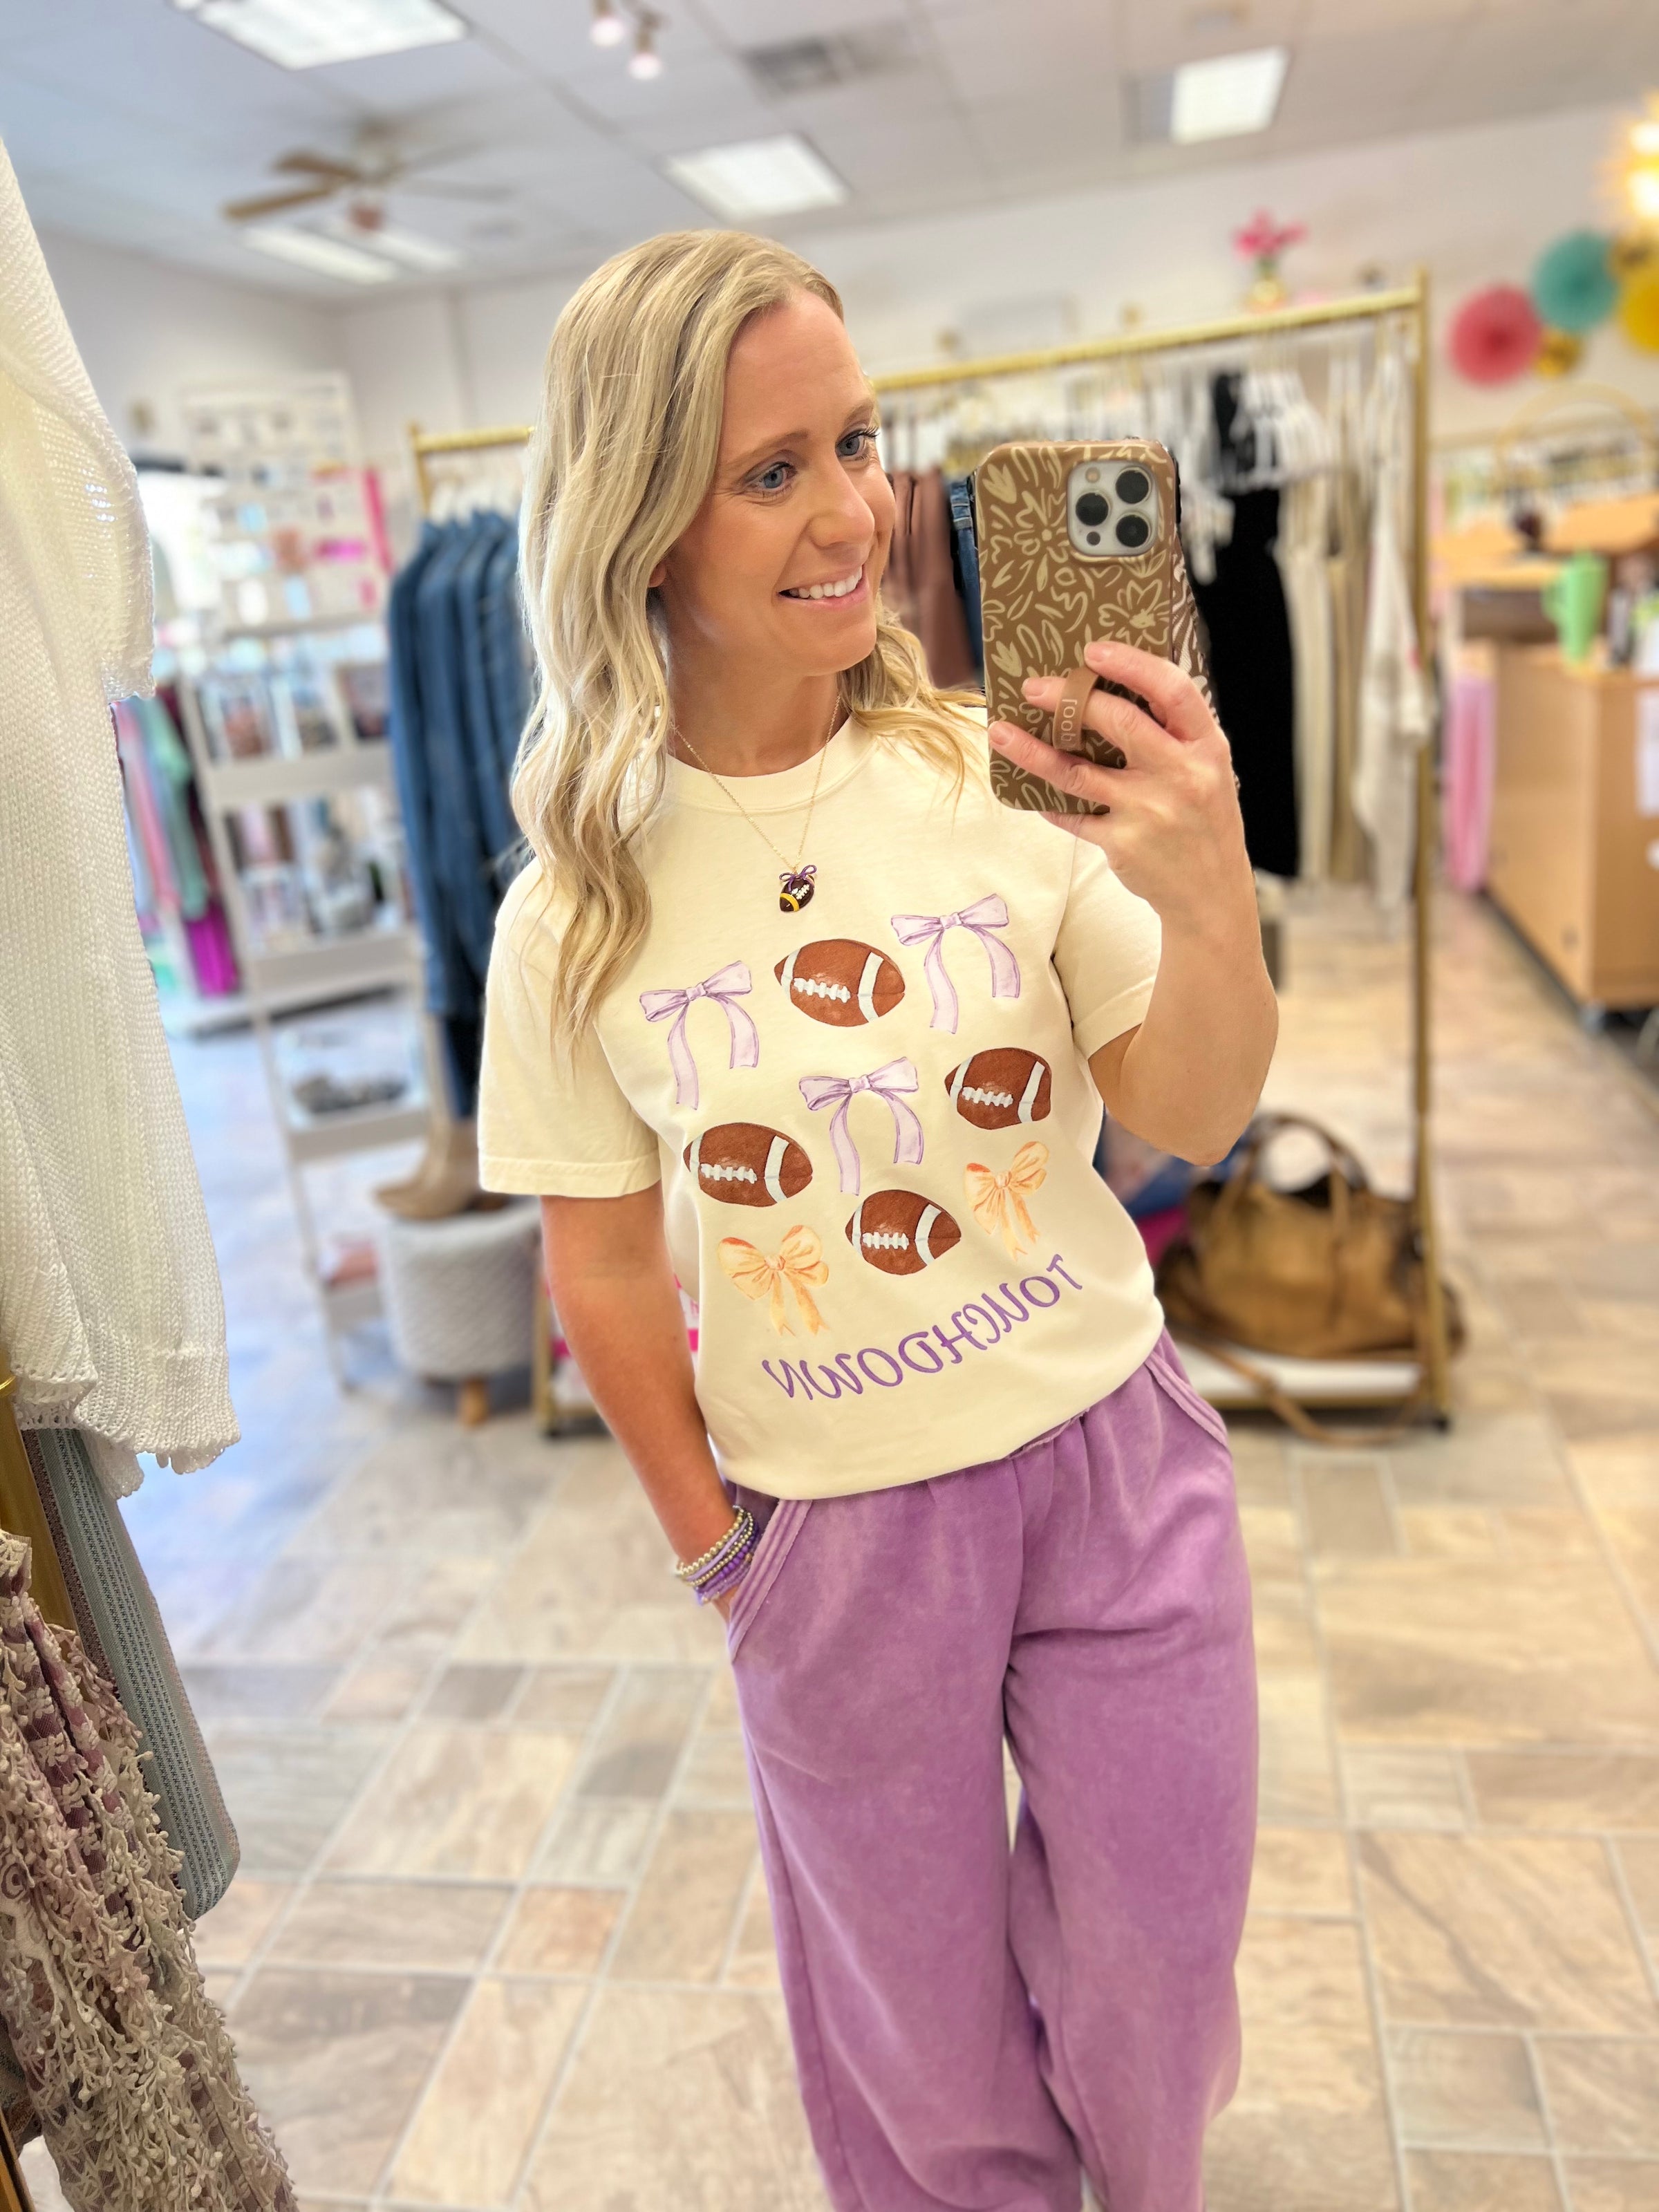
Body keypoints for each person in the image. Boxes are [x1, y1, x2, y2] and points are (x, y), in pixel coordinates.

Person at [480, 229, 1276, 2212]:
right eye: (773, 472)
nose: (854, 514)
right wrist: (720, 1556)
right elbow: (597, 1267)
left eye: (858, 440)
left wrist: (1211, 892)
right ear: (640, 523)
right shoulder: (575, 905)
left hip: (1109, 1459)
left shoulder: (1000, 770)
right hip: (835, 1531)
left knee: (1161, 1979)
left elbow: (1187, 1111)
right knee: (921, 2046)